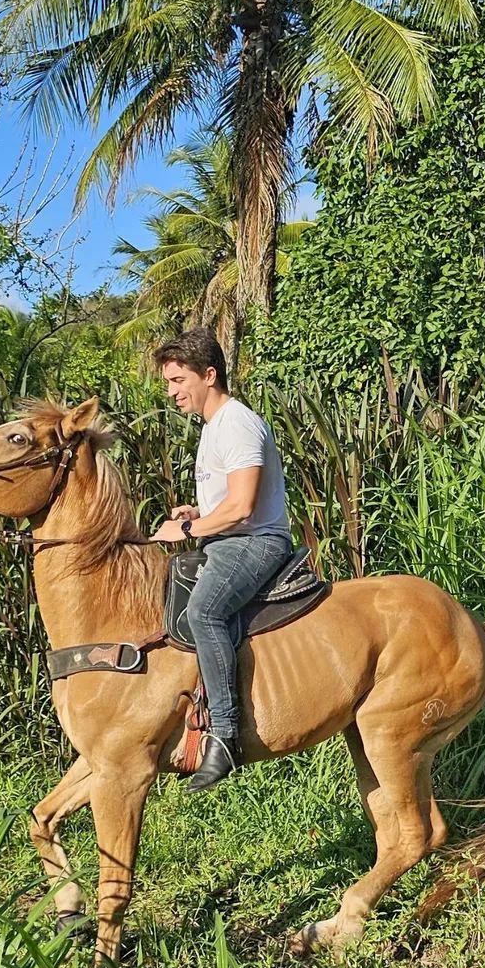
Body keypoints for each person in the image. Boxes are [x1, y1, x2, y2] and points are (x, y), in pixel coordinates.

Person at [150, 329, 292, 791]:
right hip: (229, 540)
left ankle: (226, 735)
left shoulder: (237, 424)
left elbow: (244, 507)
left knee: (204, 611)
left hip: (258, 542)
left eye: (178, 380)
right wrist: (197, 513)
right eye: (169, 382)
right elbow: (226, 504)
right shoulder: (213, 428)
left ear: (209, 375)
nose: (171, 392)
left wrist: (186, 529)